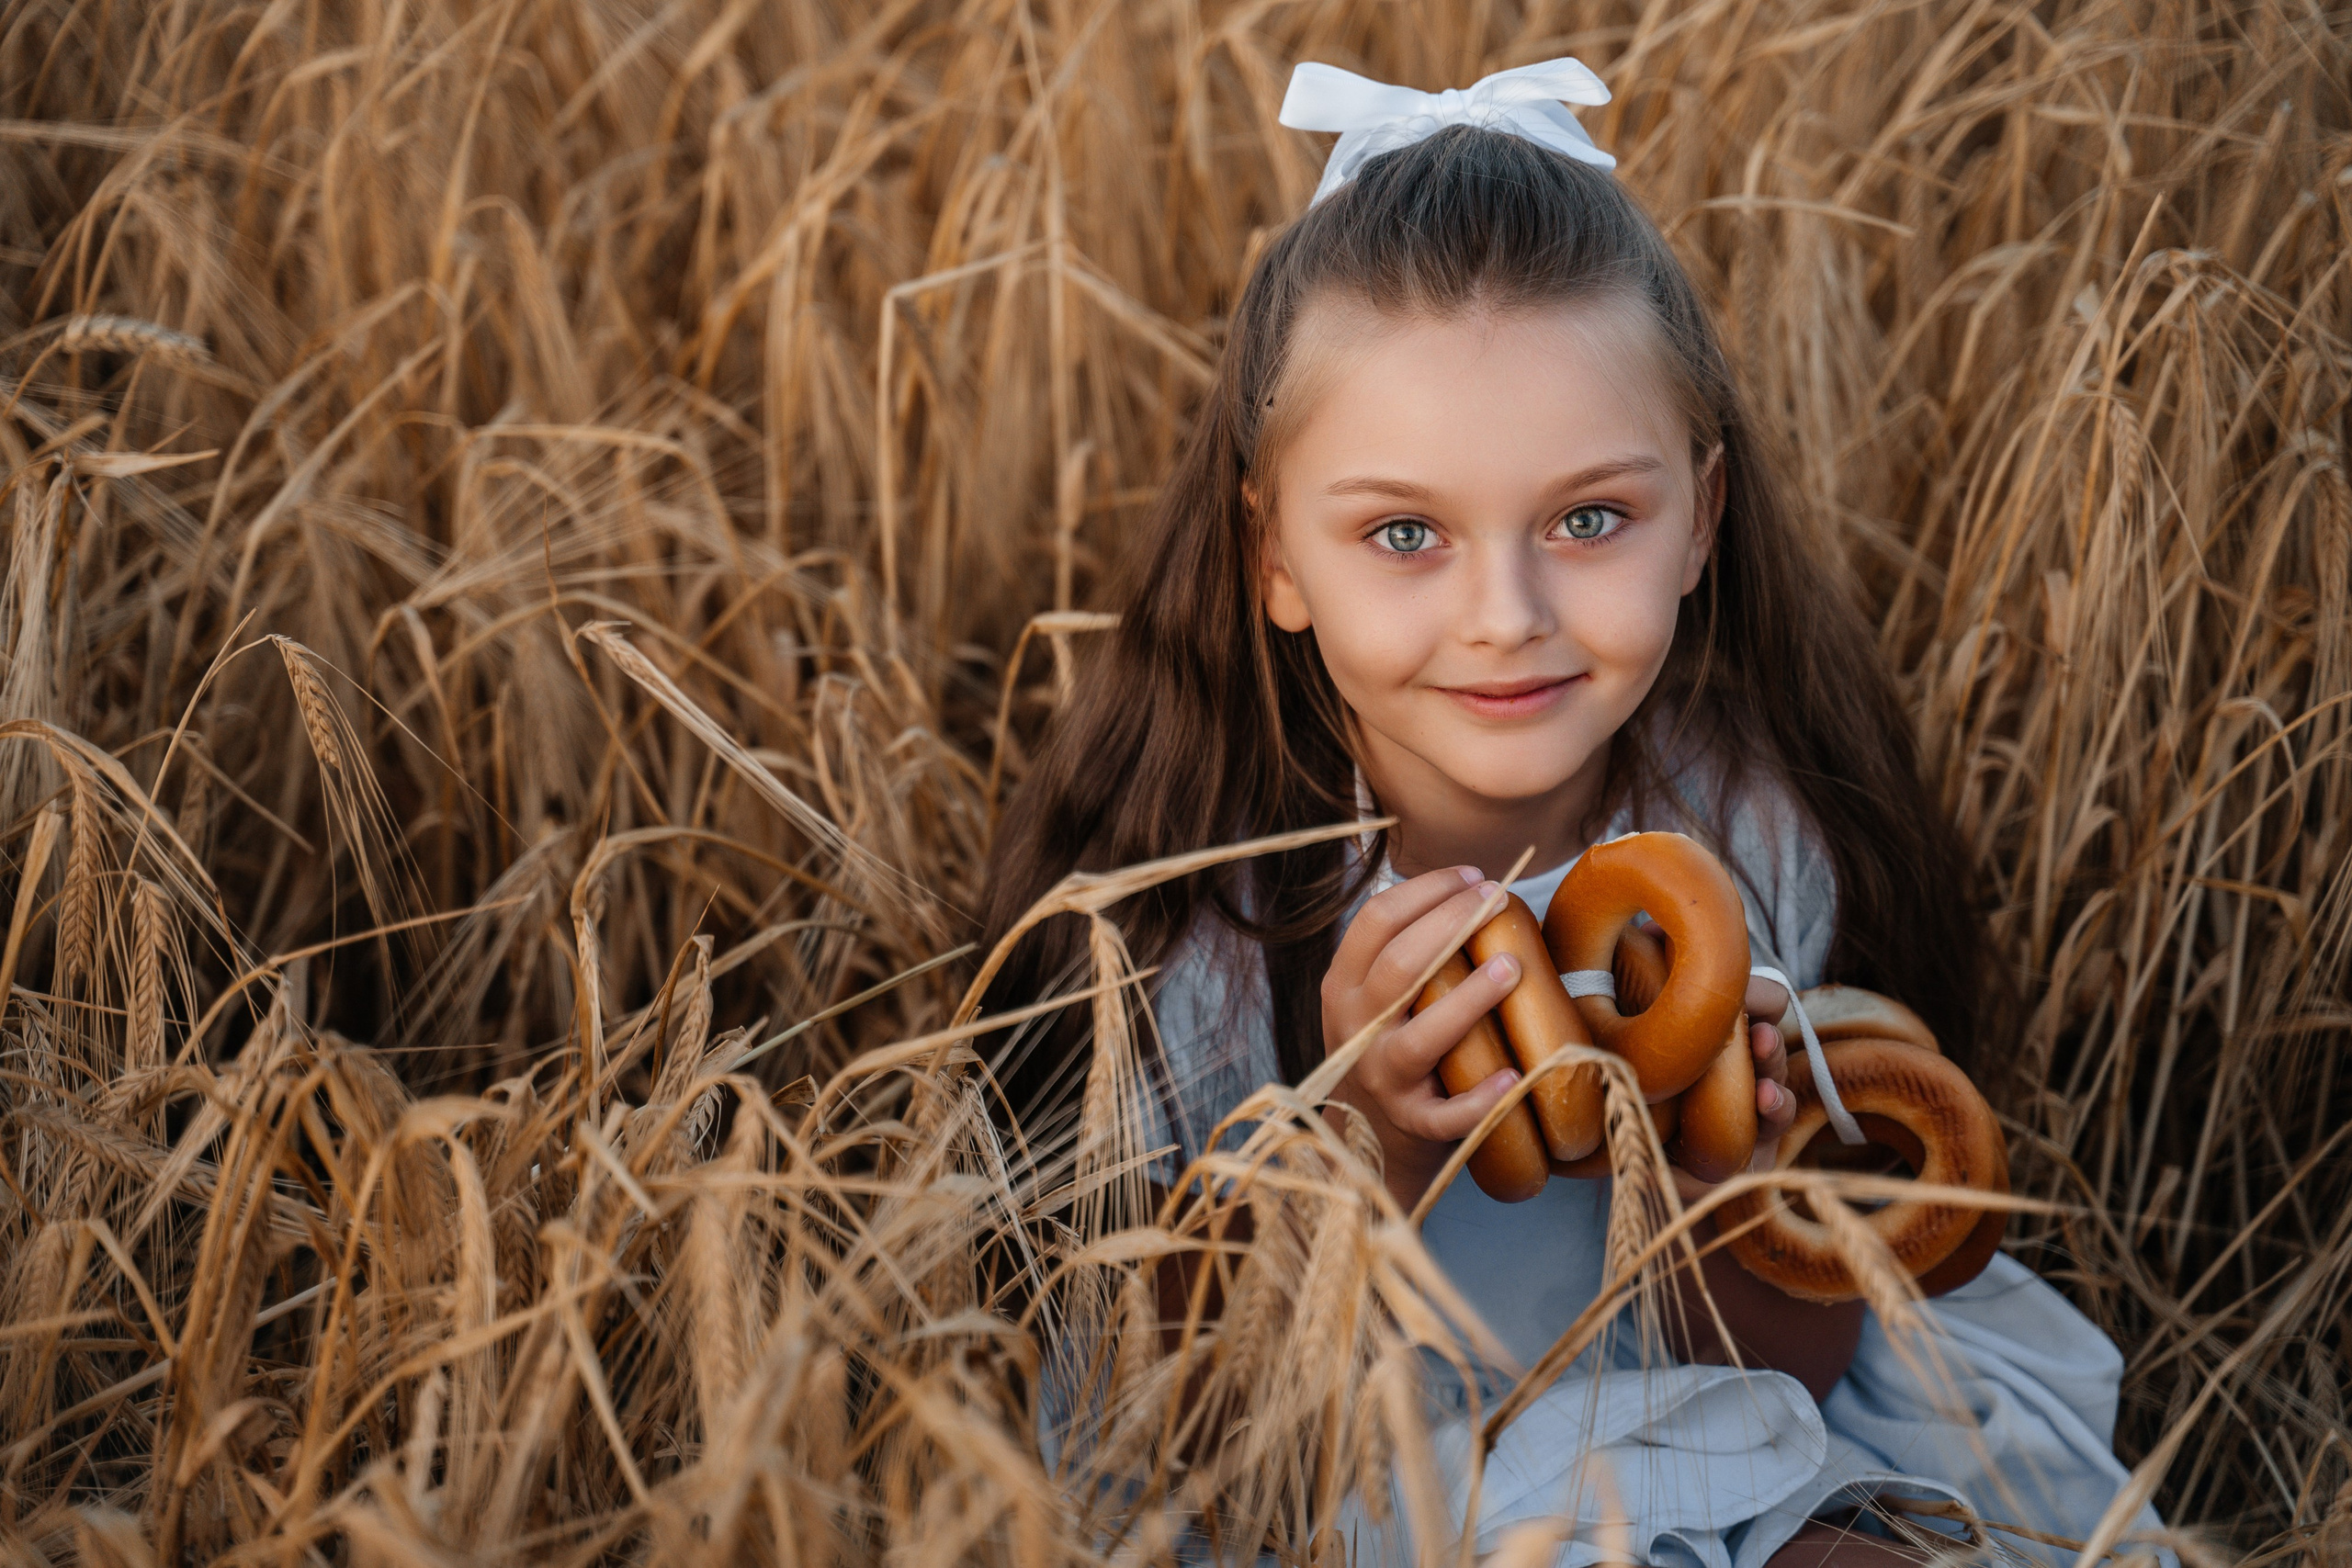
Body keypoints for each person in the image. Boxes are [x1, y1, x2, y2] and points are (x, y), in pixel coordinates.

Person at [976, 58, 2165, 1568]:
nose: (1507, 616)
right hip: (1343, 1473)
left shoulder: (1747, 845)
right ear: (1273, 556)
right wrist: (1359, 1153)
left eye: (1590, 518)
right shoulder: (1201, 917)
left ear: (1702, 521)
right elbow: (1179, 1428)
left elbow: (1769, 1381)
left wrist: (1718, 1178)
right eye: (1403, 534)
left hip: (1715, 1418)